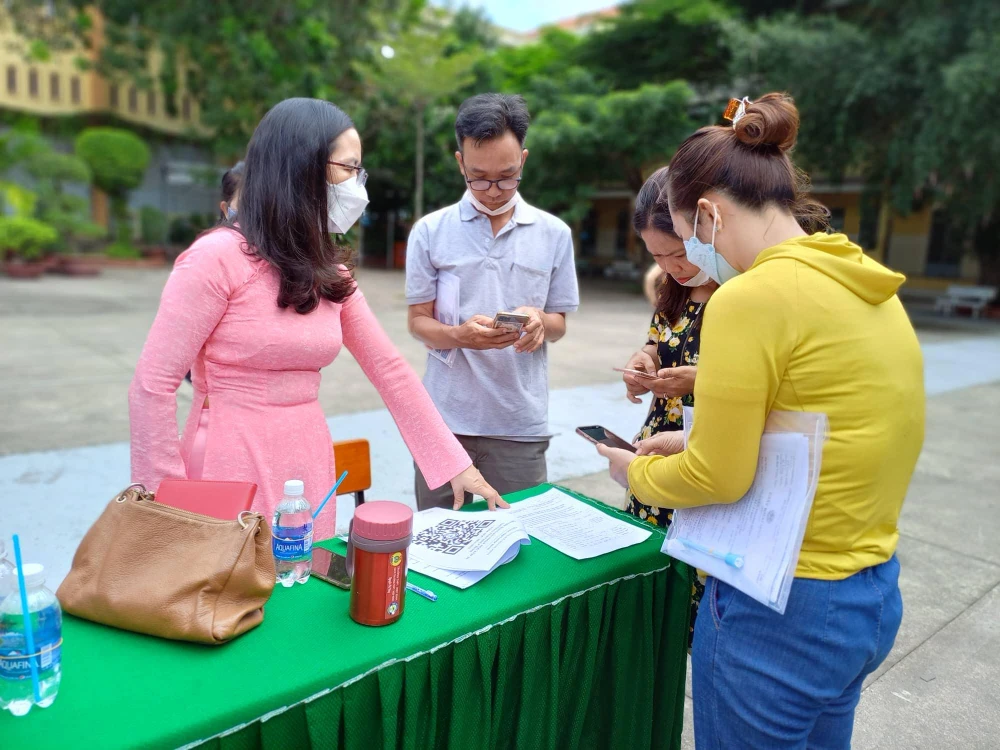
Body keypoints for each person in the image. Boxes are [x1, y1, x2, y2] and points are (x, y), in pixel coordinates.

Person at [597, 93, 925, 749]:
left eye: (689, 235)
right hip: (867, 596)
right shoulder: (863, 282)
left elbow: (718, 477)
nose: (690, 254)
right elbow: (826, 428)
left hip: (780, 607)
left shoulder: (748, 297)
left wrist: (639, 471)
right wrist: (691, 434)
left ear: (711, 215)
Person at [130, 98, 504, 542]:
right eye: (349, 168)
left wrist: (453, 462)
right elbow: (152, 386)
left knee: (302, 582)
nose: (358, 185)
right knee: (234, 588)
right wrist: (161, 505)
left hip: (306, 455)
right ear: (301, 168)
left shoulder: (329, 272)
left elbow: (389, 369)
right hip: (229, 456)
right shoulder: (215, 259)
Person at [405, 93, 580, 510]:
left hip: (519, 426)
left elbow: (559, 322)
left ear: (523, 158)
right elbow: (417, 321)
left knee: (519, 544)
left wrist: (539, 319)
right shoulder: (430, 232)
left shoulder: (554, 234)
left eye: (507, 176)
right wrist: (457, 335)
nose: (494, 190)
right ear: (460, 161)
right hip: (443, 425)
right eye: (479, 177)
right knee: (438, 546)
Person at [620, 167, 718, 646]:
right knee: (649, 572)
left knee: (694, 585)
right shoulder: (673, 289)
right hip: (658, 443)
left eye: (677, 252)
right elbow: (659, 343)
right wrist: (645, 361)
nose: (672, 266)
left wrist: (699, 381)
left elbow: (764, 383)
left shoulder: (737, 292)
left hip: (703, 451)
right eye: (657, 257)